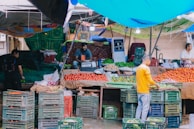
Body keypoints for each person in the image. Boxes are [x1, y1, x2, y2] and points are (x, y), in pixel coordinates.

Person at [135, 55, 159, 122]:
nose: (150, 62)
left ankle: (136, 121)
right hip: (145, 91)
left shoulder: (138, 68)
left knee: (139, 106)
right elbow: (150, 80)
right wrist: (156, 84)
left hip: (139, 90)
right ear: (147, 60)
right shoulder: (146, 68)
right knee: (145, 108)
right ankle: (142, 122)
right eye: (150, 61)